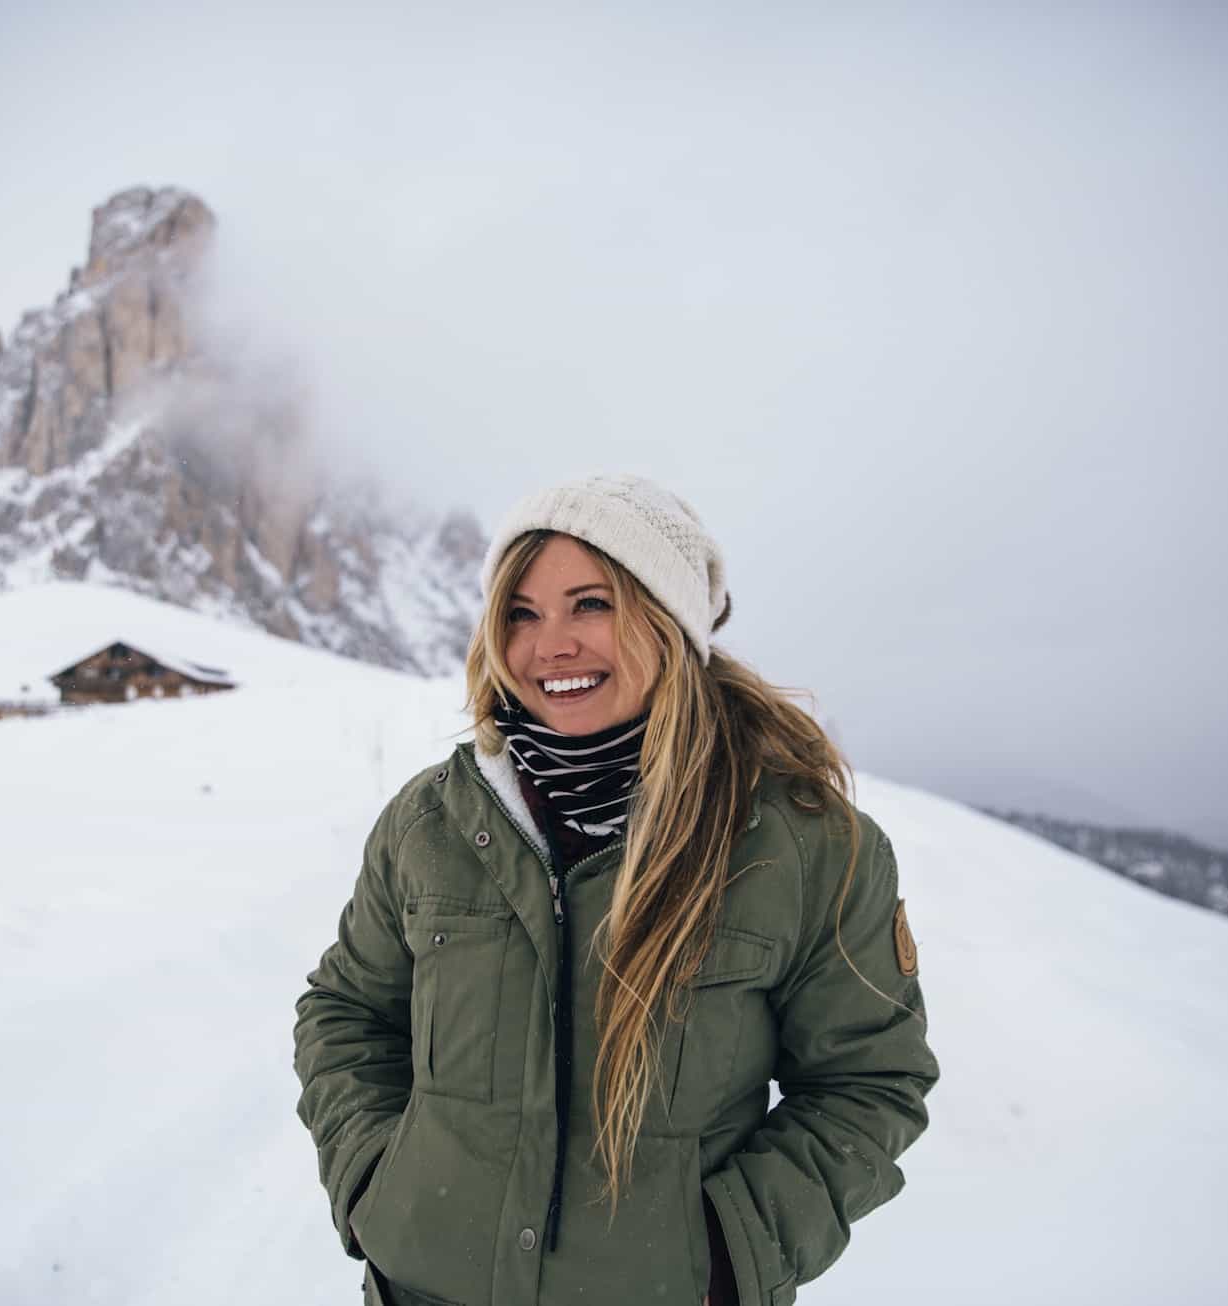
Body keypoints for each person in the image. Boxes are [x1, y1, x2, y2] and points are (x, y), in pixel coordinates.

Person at [294, 474, 939, 1306]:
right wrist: (374, 1187)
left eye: (590, 604)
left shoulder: (802, 844)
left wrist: (728, 1253)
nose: (550, 644)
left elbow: (869, 1081)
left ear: (665, 619)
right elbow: (345, 1013)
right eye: (520, 614)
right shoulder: (432, 824)